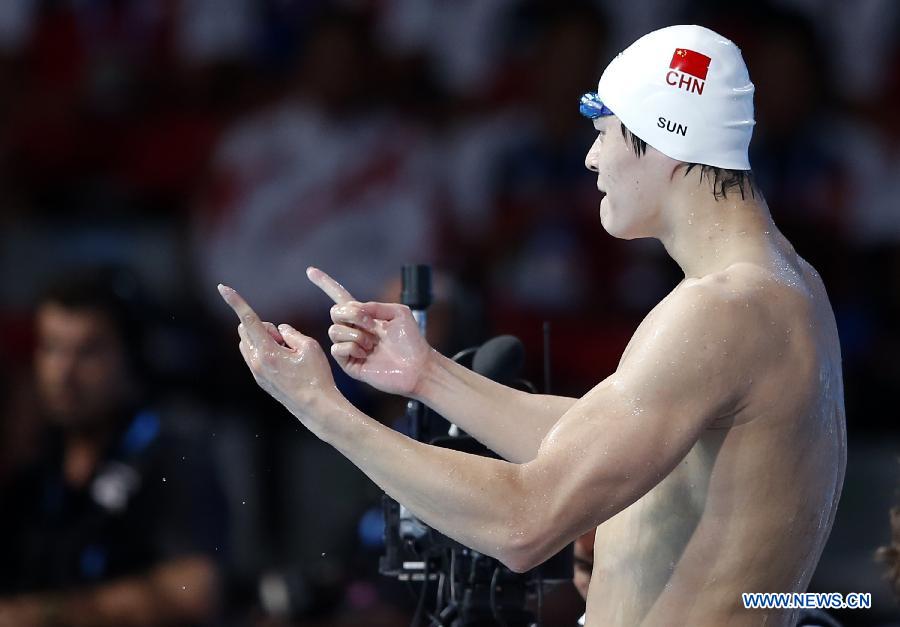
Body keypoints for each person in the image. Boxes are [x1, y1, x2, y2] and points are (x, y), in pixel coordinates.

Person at [219, 25, 846, 626]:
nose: (591, 157)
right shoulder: (785, 286)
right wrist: (427, 374)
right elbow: (596, 433)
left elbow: (522, 525)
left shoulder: (720, 313)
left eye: (604, 131)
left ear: (663, 144)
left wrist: (321, 409)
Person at [0, 268, 228, 627]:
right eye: (51, 348)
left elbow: (196, 591)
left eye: (88, 351)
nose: (63, 373)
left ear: (131, 356)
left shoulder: (171, 447)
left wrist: (42, 615)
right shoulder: (35, 453)